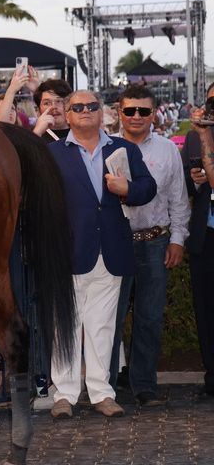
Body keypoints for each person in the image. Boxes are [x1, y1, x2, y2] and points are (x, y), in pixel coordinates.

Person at [46, 90, 156, 420]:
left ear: (102, 113)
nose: (85, 111)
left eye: (91, 106)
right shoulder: (52, 154)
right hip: (68, 252)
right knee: (64, 326)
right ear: (67, 115)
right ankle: (63, 394)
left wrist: (128, 190)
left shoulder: (123, 149)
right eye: (76, 107)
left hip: (111, 250)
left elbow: (148, 188)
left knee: (103, 326)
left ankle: (101, 393)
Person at [107, 84, 189, 407]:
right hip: (116, 243)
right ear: (119, 112)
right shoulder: (106, 146)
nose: (136, 116)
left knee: (150, 317)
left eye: (143, 110)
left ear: (154, 113)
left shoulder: (168, 149)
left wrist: (178, 239)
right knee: (108, 319)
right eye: (130, 110)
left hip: (156, 241)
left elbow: (178, 199)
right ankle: (106, 388)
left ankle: (144, 386)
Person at [183, 84, 214, 397]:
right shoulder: (194, 136)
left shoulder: (201, 136)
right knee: (206, 309)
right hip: (206, 234)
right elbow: (185, 186)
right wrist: (194, 181)